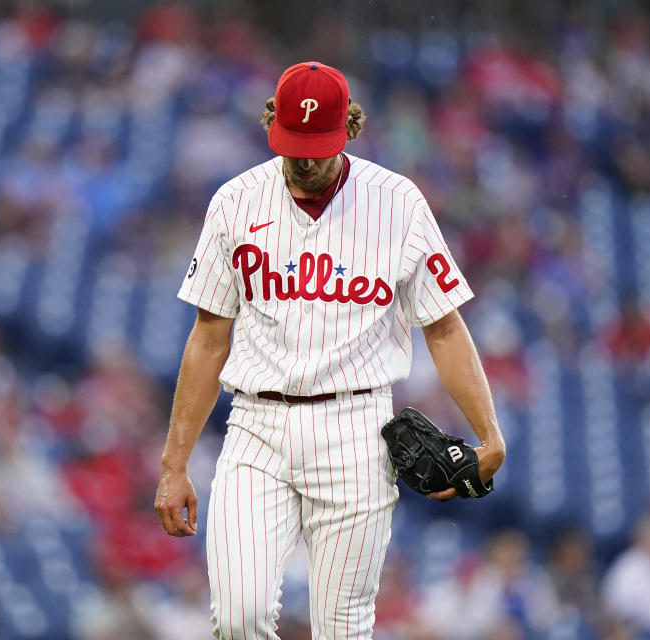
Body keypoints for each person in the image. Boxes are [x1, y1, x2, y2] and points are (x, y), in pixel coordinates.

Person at [155, 61, 506, 639]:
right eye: (297, 145)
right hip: (256, 425)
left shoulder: (398, 203)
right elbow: (208, 337)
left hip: (357, 429)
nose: (309, 159)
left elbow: (443, 327)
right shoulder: (235, 202)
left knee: (341, 629)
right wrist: (174, 464)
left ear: (349, 129)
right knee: (237, 617)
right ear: (273, 126)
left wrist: (488, 433)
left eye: (320, 145)